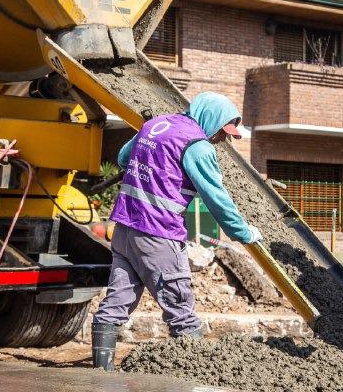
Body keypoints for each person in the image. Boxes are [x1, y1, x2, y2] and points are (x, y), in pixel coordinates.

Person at [91, 92, 263, 371]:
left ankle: (101, 374)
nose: (222, 139)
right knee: (180, 306)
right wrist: (243, 233)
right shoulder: (197, 145)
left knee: (117, 300)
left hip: (124, 229)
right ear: (211, 118)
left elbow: (124, 158)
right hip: (158, 233)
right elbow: (216, 197)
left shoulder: (155, 125)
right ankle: (196, 377)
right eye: (222, 131)